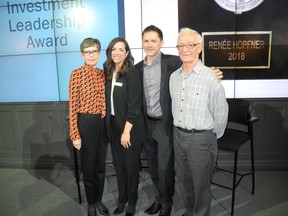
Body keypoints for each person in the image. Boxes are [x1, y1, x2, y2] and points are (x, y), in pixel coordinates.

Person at [135, 25, 223, 216]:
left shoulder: (174, 62)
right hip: (147, 126)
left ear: (162, 43)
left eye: (153, 40)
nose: (149, 45)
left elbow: (195, 65)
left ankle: (167, 204)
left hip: (166, 126)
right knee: (154, 168)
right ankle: (159, 199)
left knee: (165, 167)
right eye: (146, 41)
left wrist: (214, 72)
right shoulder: (137, 69)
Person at [169, 28, 228, 216]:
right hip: (178, 136)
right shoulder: (173, 77)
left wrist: (208, 137)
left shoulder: (211, 77)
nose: (185, 49)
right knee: (184, 181)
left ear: (200, 48)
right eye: (181, 45)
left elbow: (220, 112)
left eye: (190, 45)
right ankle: (190, 211)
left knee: (201, 185)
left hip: (201, 140)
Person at [104, 37, 147, 216]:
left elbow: (135, 105)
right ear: (110, 51)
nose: (117, 52)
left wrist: (126, 131)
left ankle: (132, 201)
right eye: (114, 49)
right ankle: (122, 200)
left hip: (130, 129)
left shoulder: (132, 72)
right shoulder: (107, 71)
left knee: (131, 168)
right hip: (113, 127)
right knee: (119, 167)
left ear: (127, 53)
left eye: (121, 49)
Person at [68, 37, 109, 216]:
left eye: (94, 51)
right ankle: (91, 203)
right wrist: (74, 133)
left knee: (101, 166)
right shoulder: (76, 74)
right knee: (89, 167)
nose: (91, 55)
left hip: (103, 124)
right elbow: (72, 106)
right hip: (86, 123)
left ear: (99, 53)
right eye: (87, 52)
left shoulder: (103, 73)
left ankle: (98, 199)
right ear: (82, 54)